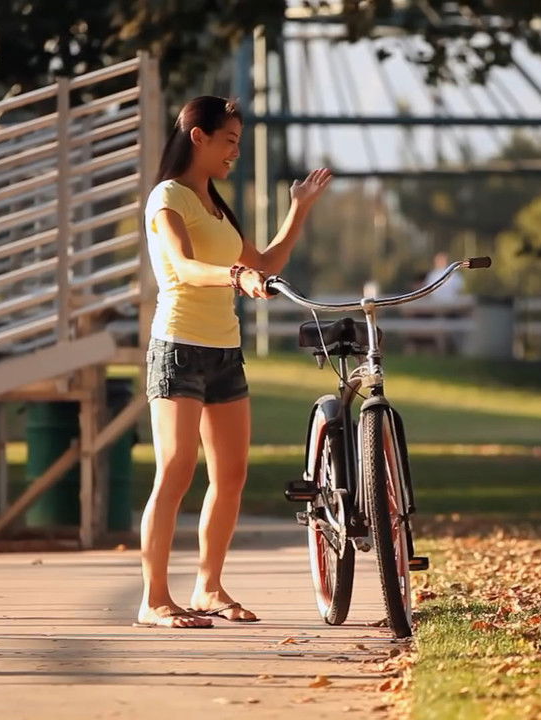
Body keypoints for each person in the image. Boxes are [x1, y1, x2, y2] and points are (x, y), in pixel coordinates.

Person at [136, 96, 331, 628]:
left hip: (225, 351)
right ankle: (154, 599)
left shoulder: (215, 204)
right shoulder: (168, 197)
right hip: (178, 346)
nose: (235, 153)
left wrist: (300, 207)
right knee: (175, 470)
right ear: (198, 137)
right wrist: (235, 276)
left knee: (231, 474)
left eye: (238, 144)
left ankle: (208, 587)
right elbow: (182, 266)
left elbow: (263, 262)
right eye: (229, 141)